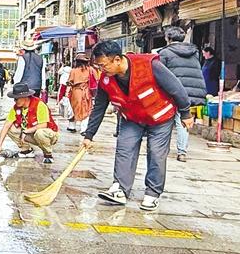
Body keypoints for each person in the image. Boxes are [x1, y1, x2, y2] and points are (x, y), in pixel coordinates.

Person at [82, 40, 192, 211]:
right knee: (124, 149)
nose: (102, 70)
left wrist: (185, 112)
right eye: (99, 67)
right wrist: (89, 134)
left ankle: (152, 193)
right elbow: (99, 107)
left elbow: (176, 87)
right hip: (132, 118)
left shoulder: (149, 65)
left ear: (117, 60)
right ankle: (120, 189)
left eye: (103, 65)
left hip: (160, 117)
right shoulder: (106, 80)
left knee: (156, 153)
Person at [158, 26, 207, 162]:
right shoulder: (194, 52)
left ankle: (161, 149)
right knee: (183, 120)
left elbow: (159, 73)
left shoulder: (165, 53)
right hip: (188, 92)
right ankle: (182, 152)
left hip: (171, 92)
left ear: (168, 38)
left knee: (165, 121)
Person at [0, 82, 59, 162]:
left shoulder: (39, 105)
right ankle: (26, 151)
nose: (15, 101)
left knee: (40, 133)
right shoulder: (16, 108)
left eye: (16, 98)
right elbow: (6, 126)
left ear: (25, 97)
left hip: (48, 134)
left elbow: (44, 125)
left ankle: (48, 154)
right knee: (10, 128)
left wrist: (26, 131)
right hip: (31, 134)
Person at [65, 54, 93, 133]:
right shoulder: (90, 70)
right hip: (86, 92)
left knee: (74, 108)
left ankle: (72, 126)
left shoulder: (73, 71)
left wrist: (66, 93)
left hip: (76, 92)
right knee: (86, 109)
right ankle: (84, 128)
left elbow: (69, 82)